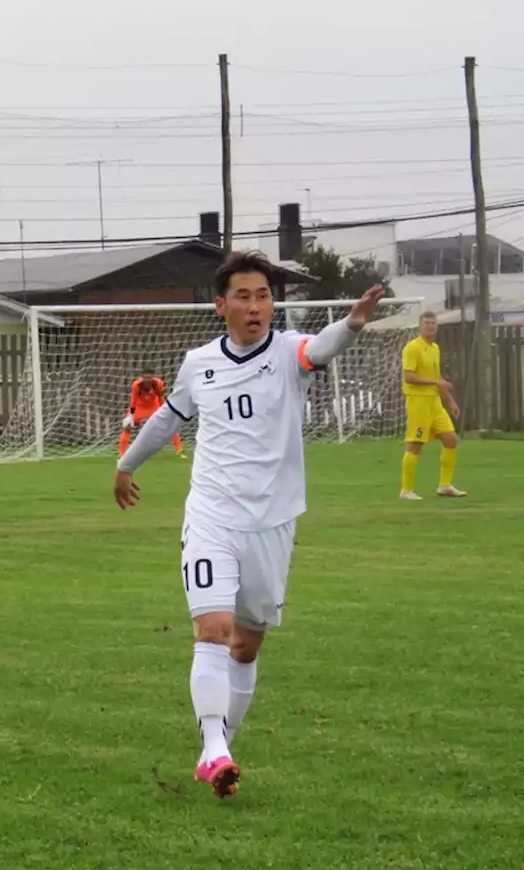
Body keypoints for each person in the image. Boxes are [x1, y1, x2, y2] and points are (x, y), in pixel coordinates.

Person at [112, 251, 385, 799]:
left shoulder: (288, 353)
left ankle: (219, 750)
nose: (256, 306)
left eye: (263, 296)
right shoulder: (198, 364)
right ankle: (214, 751)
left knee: (246, 646)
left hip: (274, 522)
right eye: (244, 296)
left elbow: (320, 345)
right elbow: (167, 419)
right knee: (212, 630)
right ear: (221, 306)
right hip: (212, 514)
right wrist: (125, 466)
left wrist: (352, 324)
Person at [399, 310, 466, 500]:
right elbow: (409, 376)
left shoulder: (435, 348)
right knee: (415, 444)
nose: (430, 326)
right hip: (418, 402)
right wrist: (437, 383)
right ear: (420, 326)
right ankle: (406, 490)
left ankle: (444, 485)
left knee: (451, 440)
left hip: (435, 403)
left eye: (433, 323)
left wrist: (450, 400)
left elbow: (437, 378)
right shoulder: (412, 348)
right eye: (427, 323)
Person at [119, 369, 185, 458]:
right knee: (127, 427)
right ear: (142, 378)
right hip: (140, 408)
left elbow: (161, 399)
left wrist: (164, 412)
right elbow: (133, 401)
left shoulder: (158, 383)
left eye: (149, 377)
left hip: (154, 407)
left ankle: (179, 451)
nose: (147, 380)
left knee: (170, 425)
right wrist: (131, 415)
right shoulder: (136, 385)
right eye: (145, 378)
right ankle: (121, 454)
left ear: (153, 377)